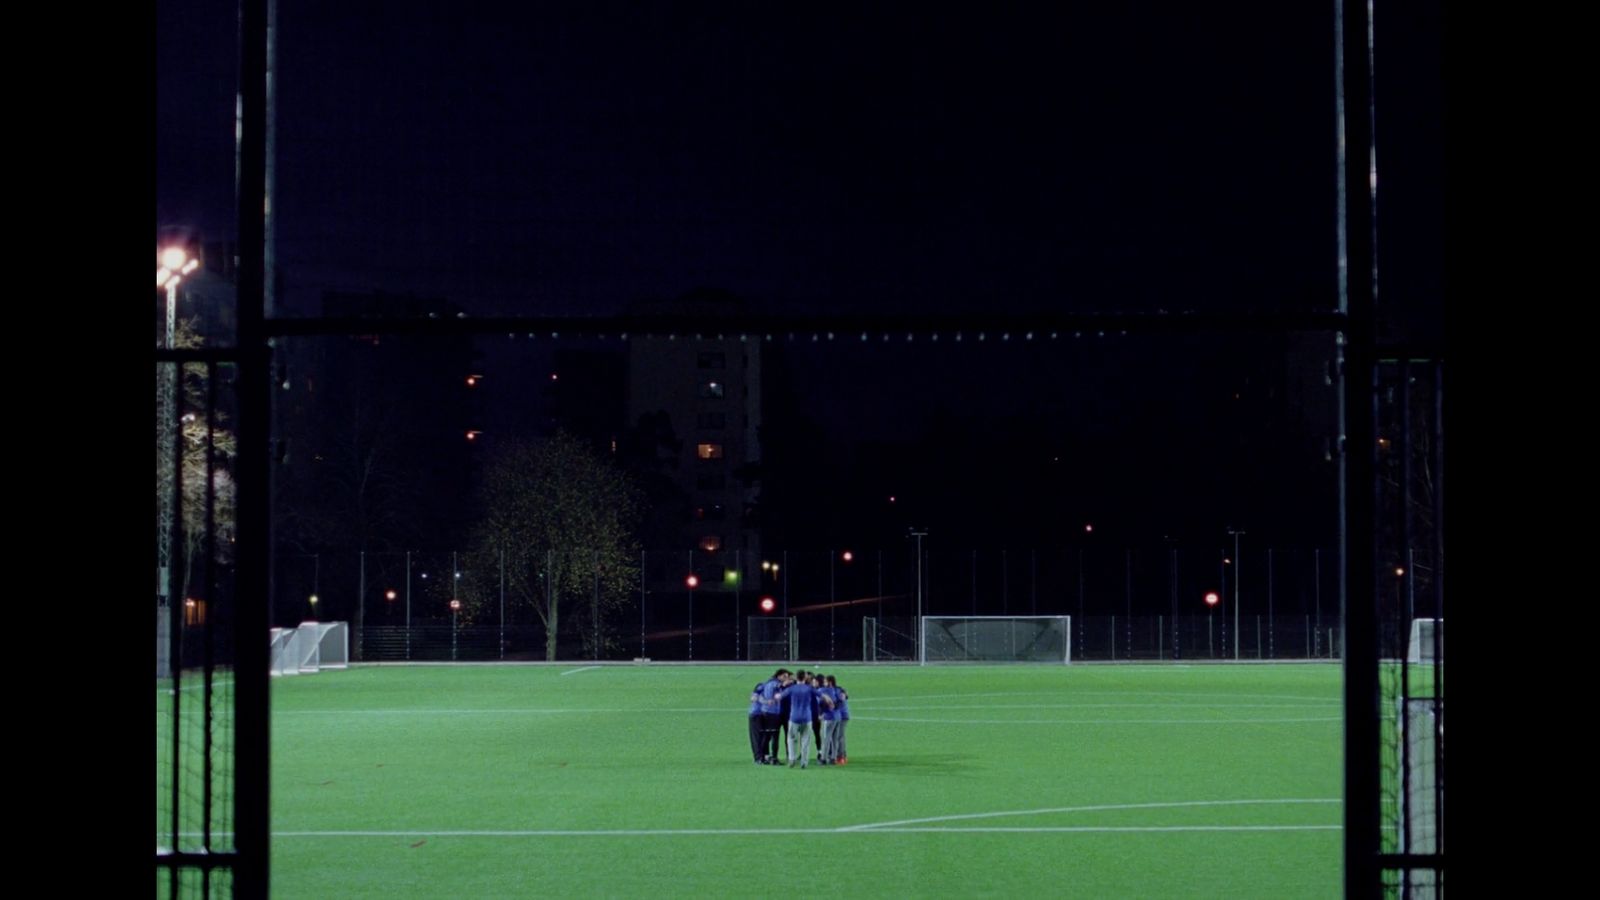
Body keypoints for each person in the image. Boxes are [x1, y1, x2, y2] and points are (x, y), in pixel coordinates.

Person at [779, 671, 832, 768]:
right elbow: (822, 695)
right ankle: (804, 762)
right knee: (805, 741)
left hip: (794, 717)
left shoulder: (792, 688)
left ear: (797, 677)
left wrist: (775, 696)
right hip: (807, 718)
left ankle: (792, 759)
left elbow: (780, 696)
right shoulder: (809, 688)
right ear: (805, 678)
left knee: (791, 739)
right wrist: (829, 700)